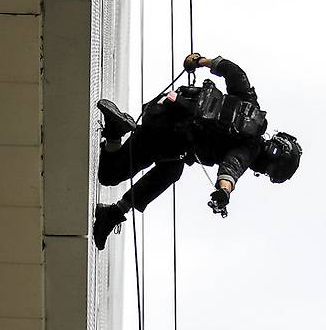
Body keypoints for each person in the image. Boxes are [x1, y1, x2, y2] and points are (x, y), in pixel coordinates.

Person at [93, 52, 302, 249]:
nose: (264, 172)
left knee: (171, 169)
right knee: (112, 175)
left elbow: (234, 71)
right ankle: (114, 135)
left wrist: (200, 61)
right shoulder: (249, 149)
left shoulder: (250, 104)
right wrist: (223, 192)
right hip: (168, 137)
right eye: (270, 172)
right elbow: (231, 168)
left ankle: (114, 209)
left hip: (164, 107)